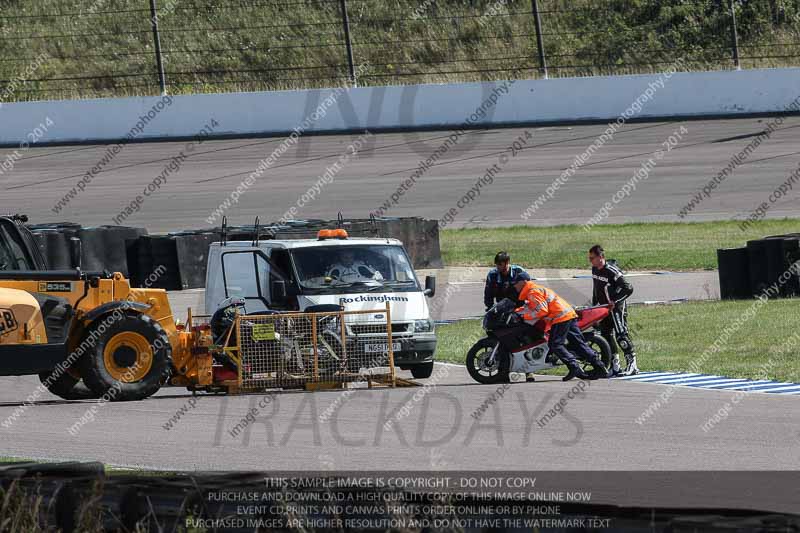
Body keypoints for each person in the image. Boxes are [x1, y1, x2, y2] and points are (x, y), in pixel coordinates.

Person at [514, 278, 610, 381]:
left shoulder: (532, 292)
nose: (514, 285)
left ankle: (574, 367)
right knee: (578, 343)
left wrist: (524, 317)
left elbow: (541, 310)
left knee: (555, 344)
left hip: (560, 317)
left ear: (523, 281)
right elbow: (532, 306)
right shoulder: (535, 289)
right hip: (569, 314)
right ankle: (600, 367)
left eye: (516, 282)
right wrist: (516, 311)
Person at [589, 244, 638, 376]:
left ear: (601, 257)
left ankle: (632, 364)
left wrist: (614, 301)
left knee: (621, 335)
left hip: (616, 308)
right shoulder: (594, 269)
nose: (590, 261)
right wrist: (595, 307)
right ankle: (615, 365)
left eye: (592, 258)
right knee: (606, 335)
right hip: (604, 308)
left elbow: (628, 288)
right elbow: (596, 289)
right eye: (589, 258)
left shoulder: (612, 271)